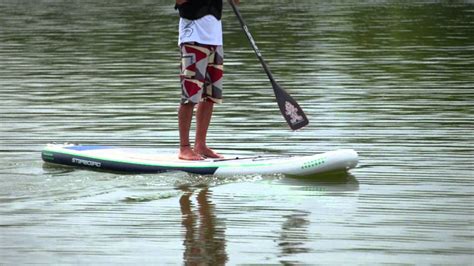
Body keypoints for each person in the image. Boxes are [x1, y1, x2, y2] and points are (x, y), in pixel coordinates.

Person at [175, 0, 240, 160]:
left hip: (215, 41)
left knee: (210, 96)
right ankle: (184, 148)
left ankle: (200, 145)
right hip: (193, 40)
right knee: (190, 97)